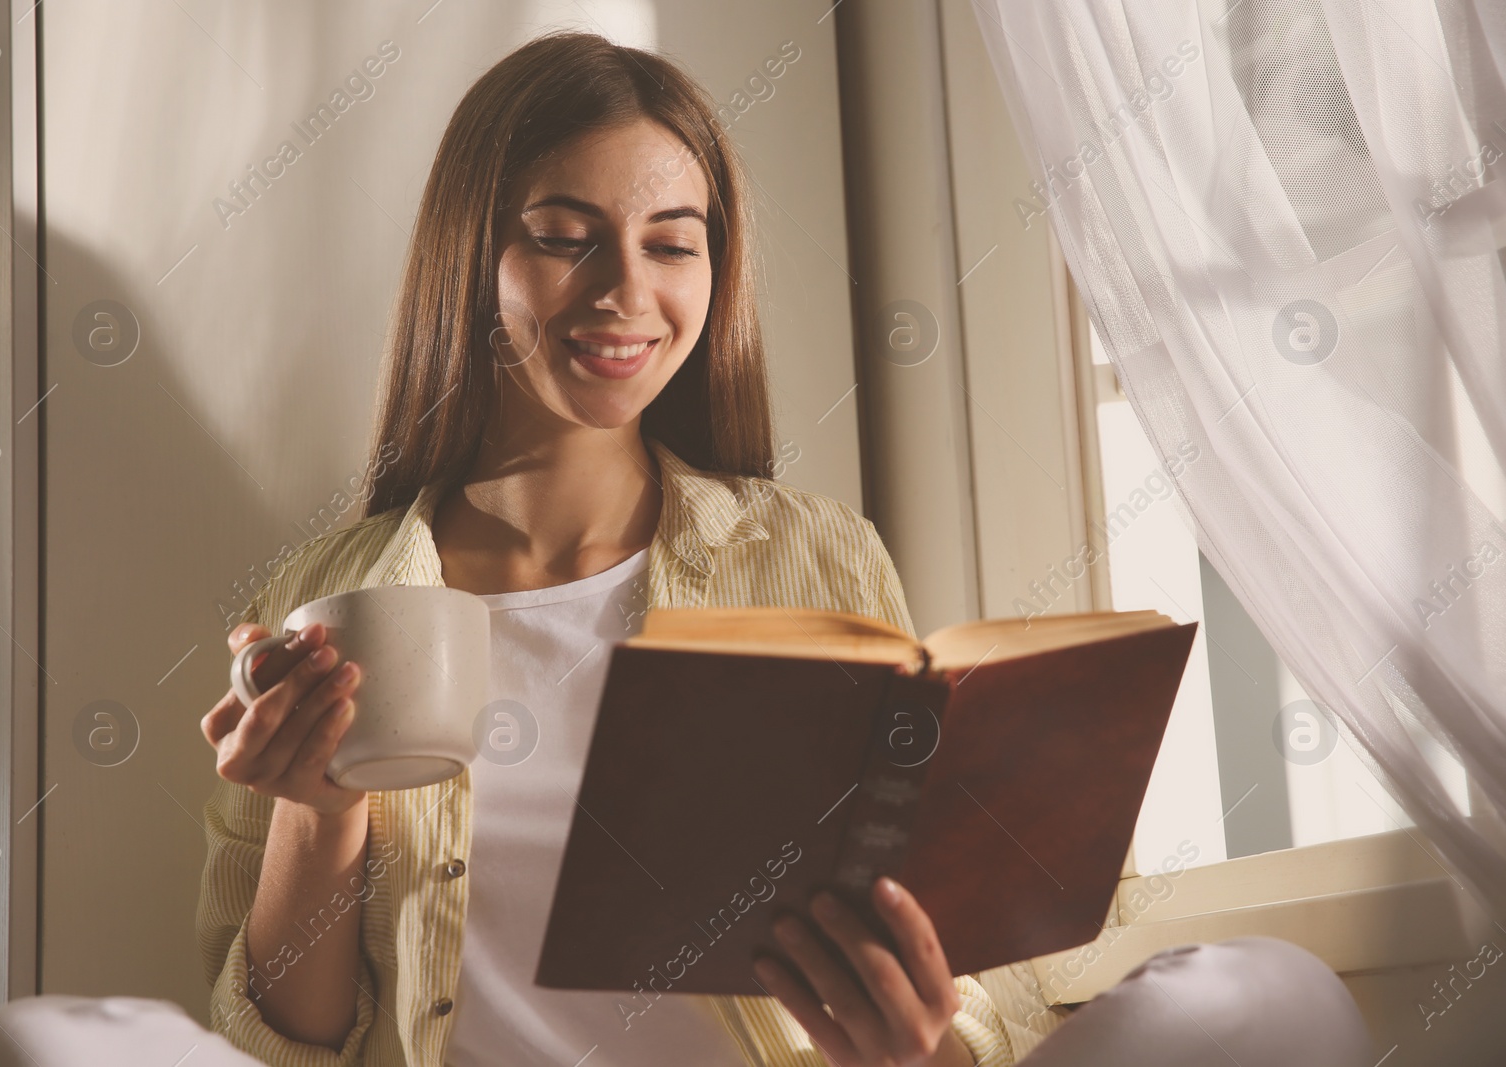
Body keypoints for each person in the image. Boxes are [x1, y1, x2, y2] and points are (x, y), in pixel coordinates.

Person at [191, 30, 1376, 1067]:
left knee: (1268, 997)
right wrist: (316, 811)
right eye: (565, 237)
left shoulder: (808, 551)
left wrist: (917, 1042)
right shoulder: (325, 598)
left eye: (672, 242)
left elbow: (927, 909)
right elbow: (279, 1050)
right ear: (472, 256)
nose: (625, 291)